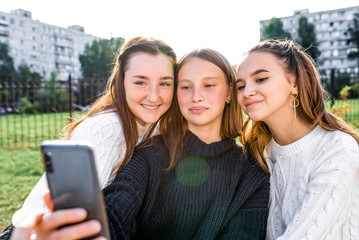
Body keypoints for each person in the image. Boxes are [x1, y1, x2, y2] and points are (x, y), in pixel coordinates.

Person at [10, 48, 270, 239]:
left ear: (228, 93)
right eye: (185, 86)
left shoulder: (251, 172)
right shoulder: (149, 156)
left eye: (209, 85)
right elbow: (116, 211)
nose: (196, 97)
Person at [0, 36, 176, 239]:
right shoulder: (107, 128)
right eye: (140, 82)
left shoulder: (156, 125)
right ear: (122, 83)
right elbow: (67, 219)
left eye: (164, 83)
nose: (153, 96)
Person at [236, 39, 359, 240]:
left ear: (294, 83)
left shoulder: (337, 149)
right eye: (240, 86)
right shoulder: (259, 153)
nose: (247, 92)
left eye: (260, 79)